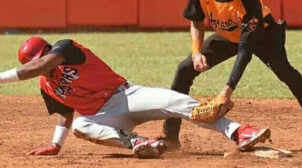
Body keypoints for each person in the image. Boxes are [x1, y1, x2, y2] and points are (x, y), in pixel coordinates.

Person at [161, 0, 302, 153]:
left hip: (264, 36)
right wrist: (196, 52)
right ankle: (170, 136)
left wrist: (226, 92)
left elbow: (245, 51)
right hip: (229, 36)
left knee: (289, 75)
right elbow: (197, 22)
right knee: (184, 70)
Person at [0, 36, 270, 158]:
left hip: (126, 96)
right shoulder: (45, 85)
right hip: (106, 117)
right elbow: (65, 112)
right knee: (82, 126)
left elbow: (34, 68)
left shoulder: (65, 48)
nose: (45, 61)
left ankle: (238, 132)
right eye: (40, 59)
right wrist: (56, 144)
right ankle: (140, 143)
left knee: (176, 102)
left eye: (44, 56)